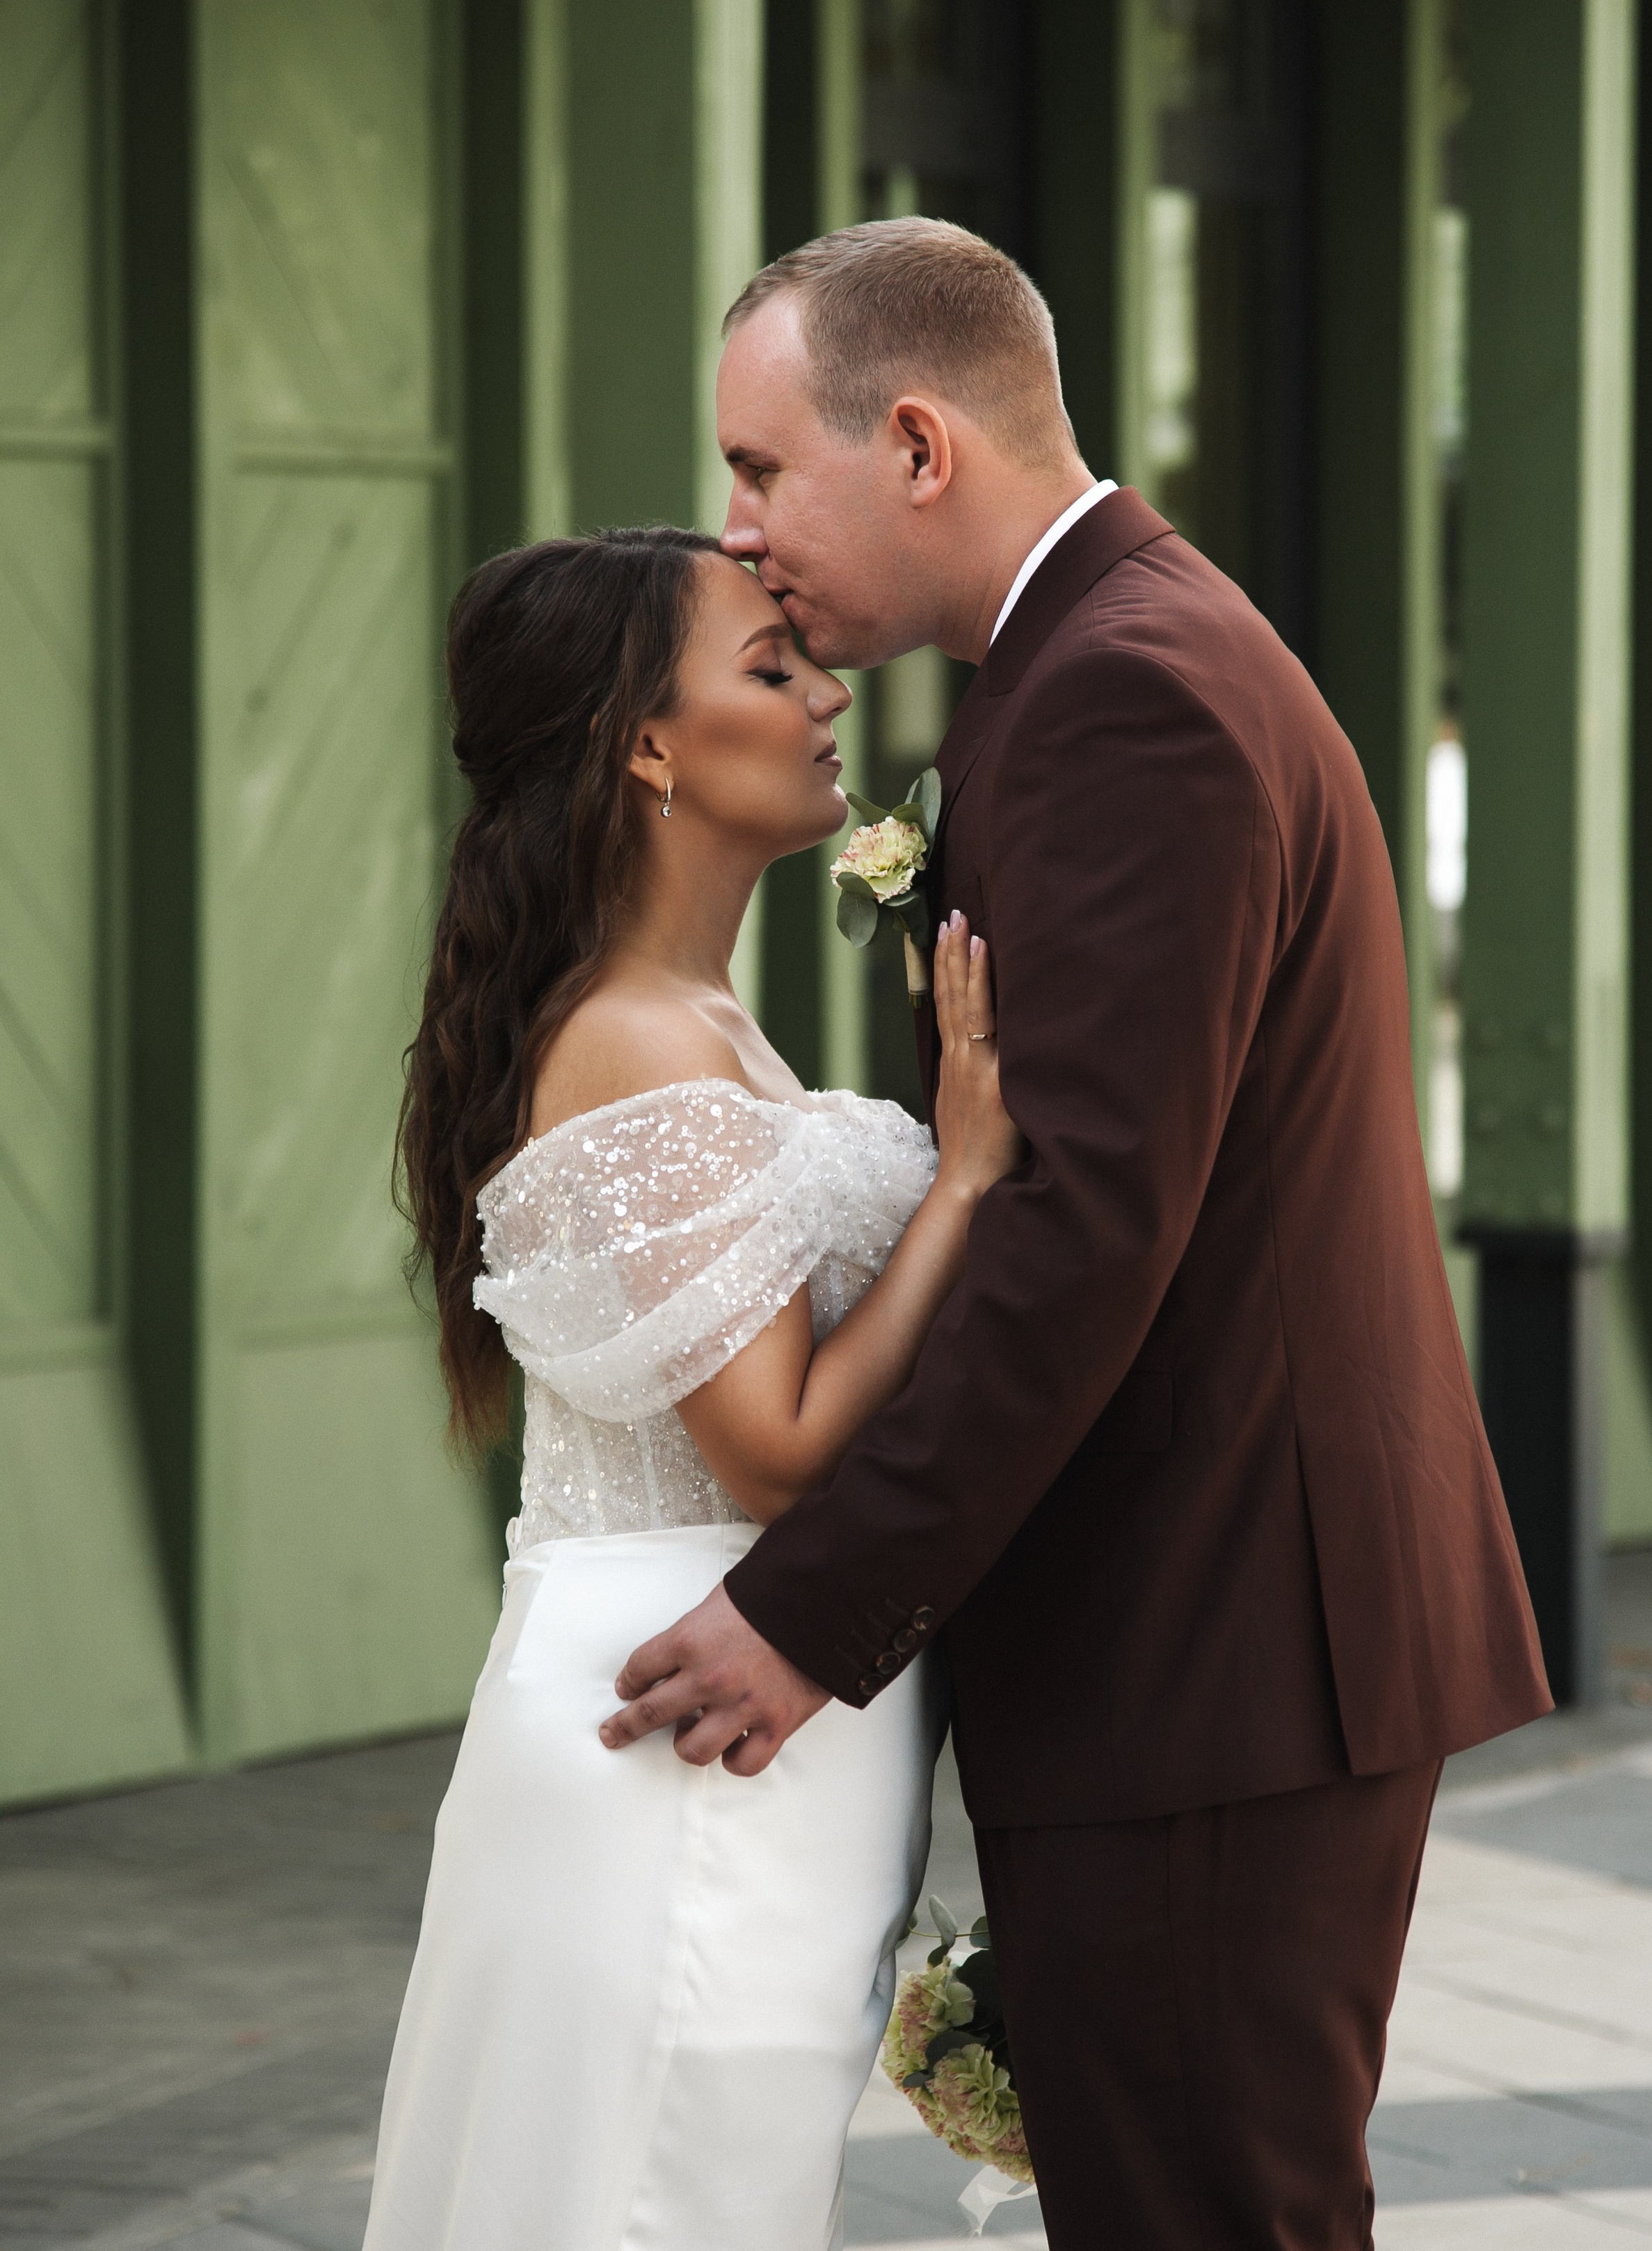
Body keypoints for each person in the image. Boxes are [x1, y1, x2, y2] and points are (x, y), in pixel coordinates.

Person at [599, 218, 1554, 2249]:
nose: (744, 530)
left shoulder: (1134, 693)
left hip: (1219, 1644)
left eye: (766, 468)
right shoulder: (1104, 658)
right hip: (1197, 1646)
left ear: (920, 446)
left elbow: (1090, 1231)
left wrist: (809, 1607)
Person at [362, 524, 1023, 2251]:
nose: (826, 693)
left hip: (738, 1723)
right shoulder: (638, 1035)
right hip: (681, 1733)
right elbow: (783, 1451)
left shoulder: (697, 1017)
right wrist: (958, 1181)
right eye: (768, 669)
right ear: (646, 745)